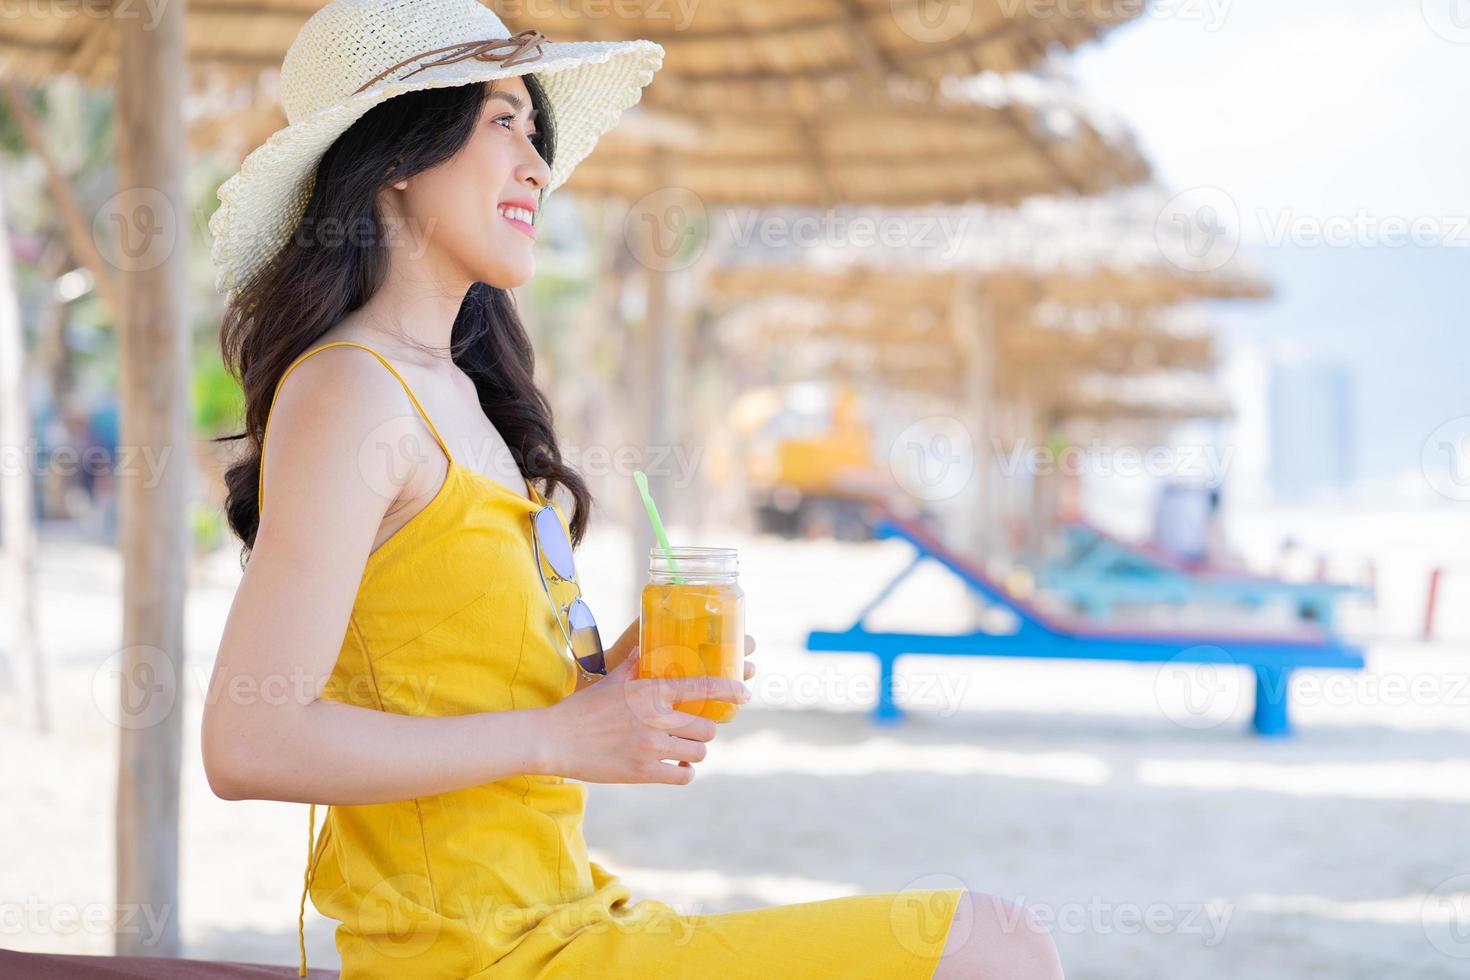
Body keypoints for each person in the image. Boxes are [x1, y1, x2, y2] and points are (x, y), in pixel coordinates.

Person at [203, 1, 1062, 977]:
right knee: (988, 942)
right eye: (500, 124)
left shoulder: (470, 397)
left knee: (997, 940)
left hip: (574, 910)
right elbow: (249, 738)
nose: (537, 165)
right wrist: (561, 730)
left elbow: (448, 686)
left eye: (539, 133)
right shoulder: (353, 389)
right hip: (476, 953)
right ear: (396, 152)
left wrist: (606, 683)